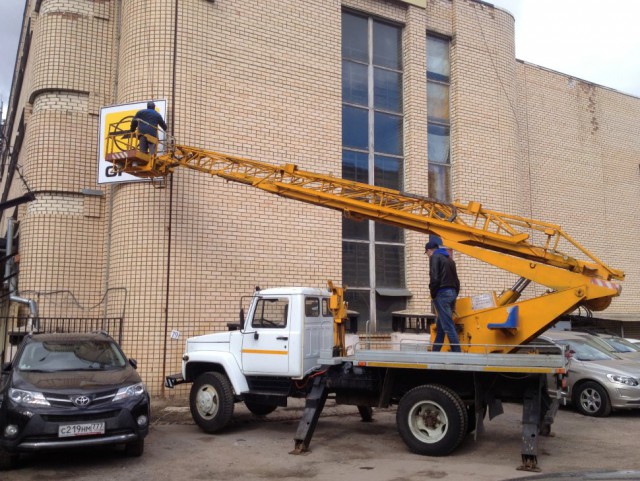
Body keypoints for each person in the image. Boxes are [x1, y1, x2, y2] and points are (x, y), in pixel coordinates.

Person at [425, 239, 461, 352]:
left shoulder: (435, 257)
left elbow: (434, 277)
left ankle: (457, 354)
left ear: (429, 250)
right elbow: (456, 280)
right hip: (452, 293)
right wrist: (455, 293)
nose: (427, 255)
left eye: (426, 253)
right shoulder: (450, 259)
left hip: (442, 294)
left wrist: (433, 293)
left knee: (448, 326)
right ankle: (435, 352)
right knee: (441, 327)